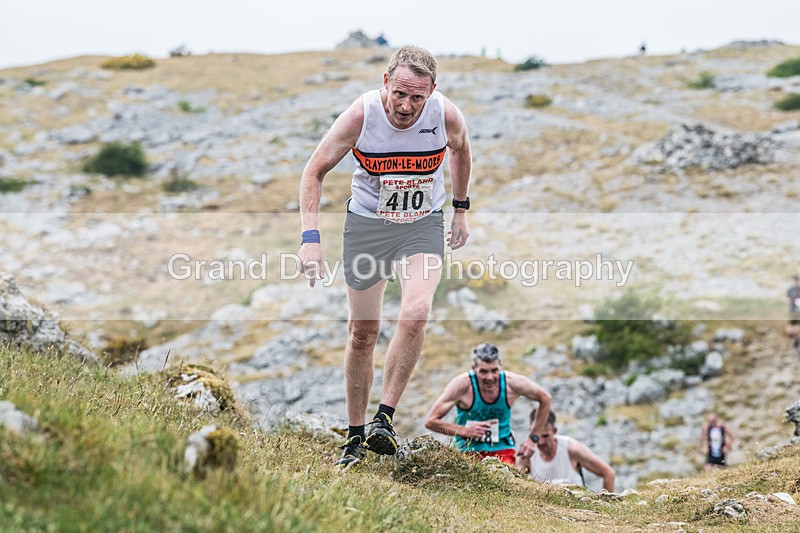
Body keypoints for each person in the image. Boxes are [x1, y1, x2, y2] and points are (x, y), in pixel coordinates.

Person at [298, 46, 472, 467]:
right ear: (386, 82)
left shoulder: (445, 115)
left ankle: (384, 419)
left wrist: (460, 209)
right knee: (363, 332)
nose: (406, 107)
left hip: (421, 224)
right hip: (368, 227)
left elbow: (461, 150)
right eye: (399, 94)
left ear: (432, 91)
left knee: (416, 312)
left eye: (417, 98)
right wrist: (310, 238)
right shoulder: (361, 115)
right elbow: (314, 171)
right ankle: (354, 437)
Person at [424, 343, 552, 466]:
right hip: (466, 449)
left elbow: (545, 398)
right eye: (483, 372)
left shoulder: (513, 383)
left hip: (502, 449)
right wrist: (465, 431)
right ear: (473, 368)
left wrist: (533, 439)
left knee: (505, 479)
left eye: (494, 371)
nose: (490, 377)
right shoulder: (461, 385)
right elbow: (431, 421)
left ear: (500, 366)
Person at [519, 409, 616, 492]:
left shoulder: (572, 449)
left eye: (545, 436)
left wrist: (606, 503)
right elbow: (517, 482)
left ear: (554, 431)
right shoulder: (526, 454)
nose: (540, 442)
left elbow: (608, 473)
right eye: (536, 437)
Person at [786, 275, 800, 349]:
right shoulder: (790, 289)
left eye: (797, 280)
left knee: (797, 329)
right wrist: (788, 300)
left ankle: (797, 341)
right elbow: (787, 299)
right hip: (792, 311)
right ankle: (796, 340)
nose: (796, 282)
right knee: (789, 330)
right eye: (795, 280)